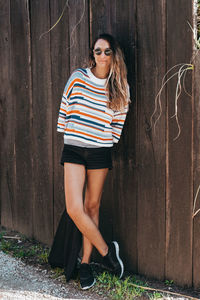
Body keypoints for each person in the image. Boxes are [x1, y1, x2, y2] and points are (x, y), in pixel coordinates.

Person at [57, 33, 130, 290]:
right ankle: (108, 253)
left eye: (106, 51)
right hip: (75, 148)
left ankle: (86, 263)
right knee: (74, 208)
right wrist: (72, 135)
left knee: (92, 206)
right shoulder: (78, 77)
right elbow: (65, 109)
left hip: (100, 150)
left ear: (114, 55)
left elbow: (117, 123)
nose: (101, 56)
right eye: (97, 51)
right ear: (92, 54)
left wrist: (102, 140)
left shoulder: (119, 86)